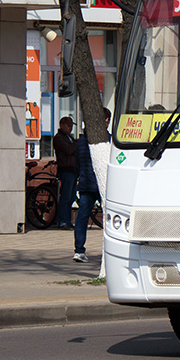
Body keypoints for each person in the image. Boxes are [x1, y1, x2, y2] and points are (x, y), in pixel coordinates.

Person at [73, 108, 110, 263]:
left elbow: (77, 162)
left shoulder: (81, 140)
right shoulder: (106, 139)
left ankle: (79, 250)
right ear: (106, 120)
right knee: (108, 217)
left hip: (85, 183)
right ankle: (110, 251)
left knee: (82, 217)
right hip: (102, 183)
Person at [53, 116, 77, 229]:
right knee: (66, 197)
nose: (70, 128)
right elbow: (69, 150)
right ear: (62, 125)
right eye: (68, 126)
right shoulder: (59, 138)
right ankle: (62, 221)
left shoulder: (69, 137)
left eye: (71, 126)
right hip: (66, 170)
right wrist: (76, 144)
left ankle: (67, 220)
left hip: (73, 170)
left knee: (71, 197)